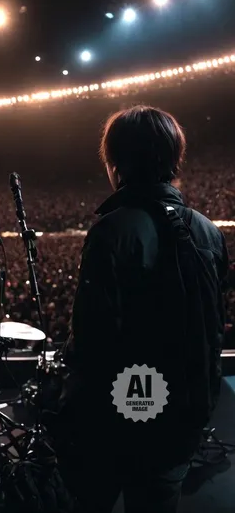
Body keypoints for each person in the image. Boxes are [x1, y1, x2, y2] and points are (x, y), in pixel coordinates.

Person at [59, 106, 229, 513]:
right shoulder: (207, 230)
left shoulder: (112, 230)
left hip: (119, 414)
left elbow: (91, 337)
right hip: (185, 413)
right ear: (174, 158)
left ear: (116, 163)